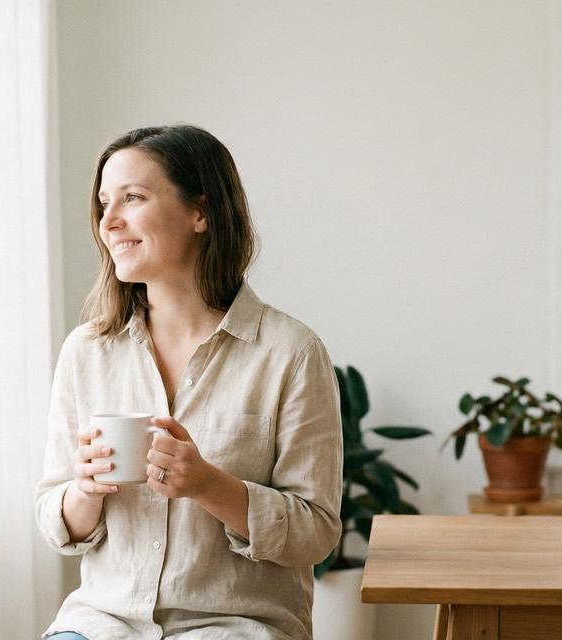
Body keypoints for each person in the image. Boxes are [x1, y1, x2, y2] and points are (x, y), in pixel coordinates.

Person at [35, 125, 343, 640]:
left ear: (200, 212)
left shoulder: (290, 353)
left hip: (234, 627)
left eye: (133, 198)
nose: (109, 222)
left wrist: (209, 486)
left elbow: (315, 533)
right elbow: (55, 516)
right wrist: (84, 491)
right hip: (101, 624)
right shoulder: (87, 351)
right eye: (104, 202)